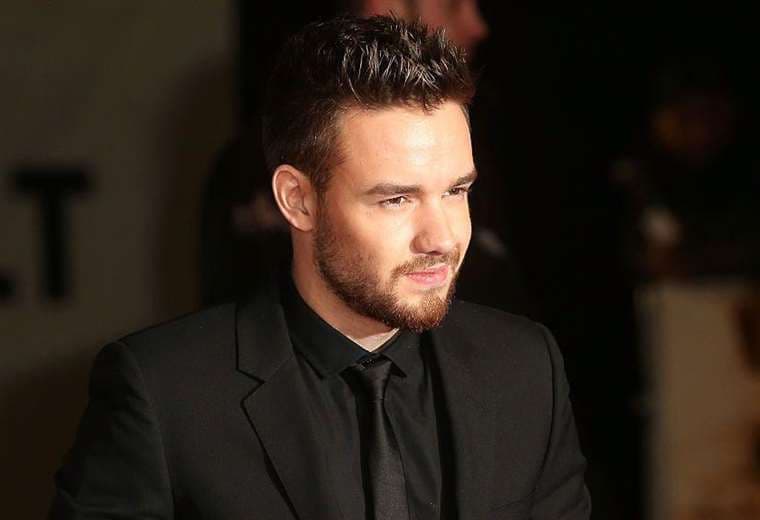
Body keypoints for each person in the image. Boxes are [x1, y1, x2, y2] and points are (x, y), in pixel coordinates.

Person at [51, 16, 590, 519]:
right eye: (396, 199)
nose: (443, 238)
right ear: (298, 200)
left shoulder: (525, 370)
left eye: (456, 191)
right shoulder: (164, 394)